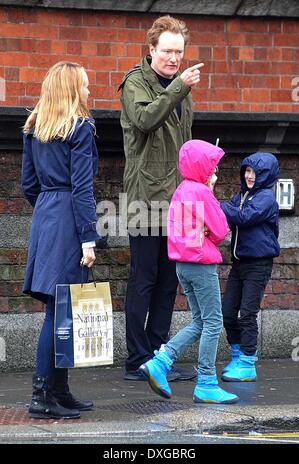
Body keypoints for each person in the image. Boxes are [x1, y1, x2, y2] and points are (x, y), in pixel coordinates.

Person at [119, 15, 204, 382]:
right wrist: (177, 89)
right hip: (145, 197)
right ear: (151, 49)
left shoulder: (181, 87)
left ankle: (159, 357)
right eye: (167, 50)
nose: (173, 58)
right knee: (144, 279)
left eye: (179, 52)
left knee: (170, 282)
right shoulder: (135, 83)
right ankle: (136, 358)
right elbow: (145, 120)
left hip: (179, 199)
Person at [21, 61, 101, 419]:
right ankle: (42, 396)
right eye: (84, 86)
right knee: (59, 311)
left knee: (61, 308)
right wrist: (88, 238)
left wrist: (48, 209)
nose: (88, 92)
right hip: (69, 218)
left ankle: (59, 390)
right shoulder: (81, 128)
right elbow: (83, 188)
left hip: (46, 216)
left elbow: (28, 185)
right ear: (71, 90)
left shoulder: (34, 128)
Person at [139, 139, 239, 404]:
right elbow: (220, 229)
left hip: (182, 265)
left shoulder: (181, 189)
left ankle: (160, 361)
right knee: (214, 322)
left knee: (200, 322)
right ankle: (206, 381)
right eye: (213, 167)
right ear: (202, 167)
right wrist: (211, 197)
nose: (215, 172)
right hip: (201, 264)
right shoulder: (202, 192)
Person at [220, 152, 280, 382]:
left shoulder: (266, 198)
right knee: (227, 313)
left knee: (247, 314)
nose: (250, 176)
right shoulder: (241, 196)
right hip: (240, 263)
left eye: (254, 172)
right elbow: (227, 216)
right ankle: (236, 354)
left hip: (258, 264)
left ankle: (247, 363)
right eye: (247, 171)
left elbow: (245, 217)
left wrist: (223, 207)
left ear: (265, 174)